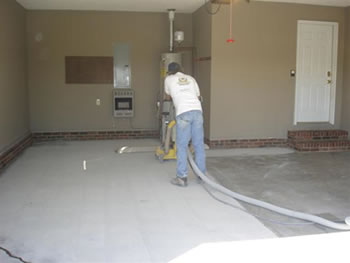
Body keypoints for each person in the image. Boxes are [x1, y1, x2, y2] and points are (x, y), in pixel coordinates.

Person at [164, 62, 206, 187]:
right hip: (197, 112)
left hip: (183, 112)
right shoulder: (191, 78)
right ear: (181, 69)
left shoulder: (169, 79)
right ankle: (201, 175)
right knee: (198, 145)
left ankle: (182, 177)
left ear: (169, 72)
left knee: (182, 146)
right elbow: (198, 96)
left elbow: (167, 95)